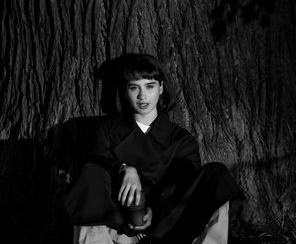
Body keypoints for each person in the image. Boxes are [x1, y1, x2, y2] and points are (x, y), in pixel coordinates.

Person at [64, 54, 243, 244]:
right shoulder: (108, 130)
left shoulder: (181, 140)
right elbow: (95, 164)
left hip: (166, 226)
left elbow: (185, 191)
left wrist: (153, 211)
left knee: (216, 177)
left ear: (161, 89)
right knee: (90, 173)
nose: (142, 96)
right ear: (125, 92)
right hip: (115, 226)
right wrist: (123, 168)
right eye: (134, 88)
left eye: (149, 86)